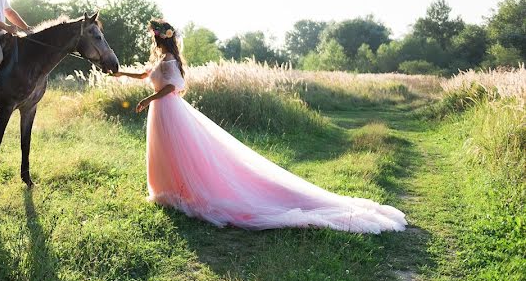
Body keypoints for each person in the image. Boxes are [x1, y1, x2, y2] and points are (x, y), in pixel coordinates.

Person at [111, 18, 406, 233]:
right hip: (160, 112)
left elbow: (174, 86)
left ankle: (186, 192)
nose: (153, 40)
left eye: (154, 36)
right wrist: (119, 72)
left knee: (180, 152)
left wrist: (149, 99)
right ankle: (168, 192)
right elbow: (144, 74)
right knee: (164, 152)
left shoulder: (171, 59)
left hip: (169, 110)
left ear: (161, 38)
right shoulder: (161, 57)